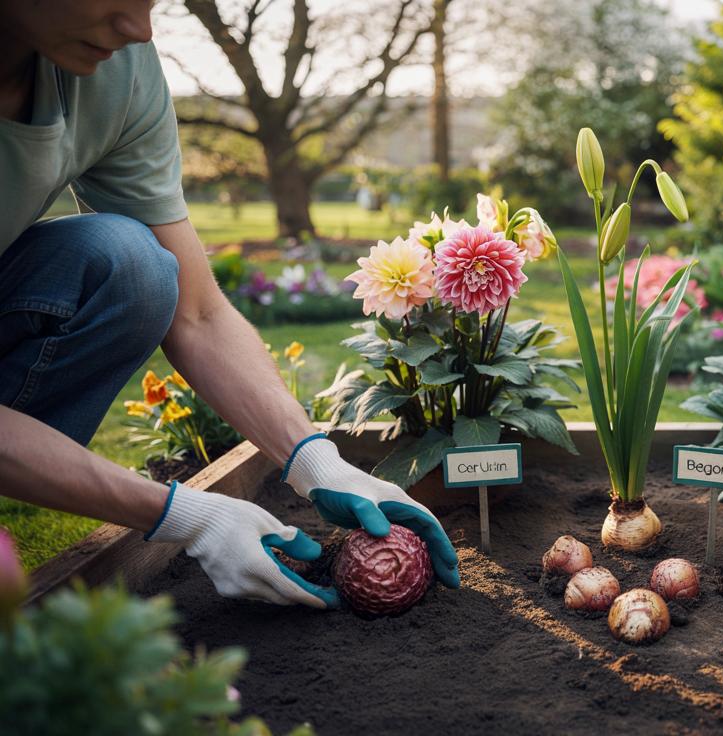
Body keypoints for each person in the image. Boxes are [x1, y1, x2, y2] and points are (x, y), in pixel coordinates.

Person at [0, 1, 460, 608]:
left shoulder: (118, 69)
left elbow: (198, 312)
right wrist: (184, 514)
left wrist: (318, 462)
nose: (140, 29)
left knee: (131, 263)